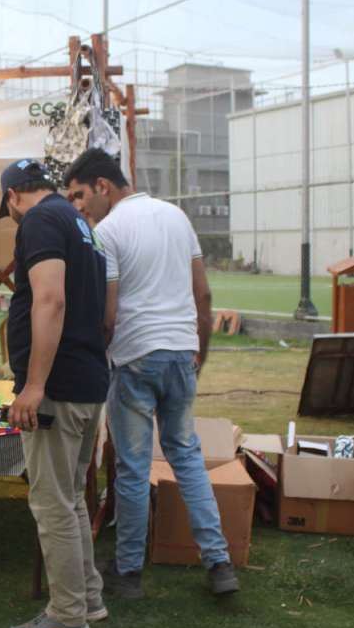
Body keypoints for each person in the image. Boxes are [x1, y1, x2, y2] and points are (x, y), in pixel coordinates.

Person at [63, 148, 240, 599]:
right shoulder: (176, 217)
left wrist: (98, 355)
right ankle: (219, 562)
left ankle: (128, 572)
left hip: (135, 357)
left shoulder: (107, 232)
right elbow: (203, 295)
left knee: (133, 469)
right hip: (180, 352)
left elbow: (108, 314)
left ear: (102, 186)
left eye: (80, 195)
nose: (79, 207)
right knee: (187, 457)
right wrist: (199, 352)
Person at [0, 159, 110, 628]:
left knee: (51, 504)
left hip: (59, 387)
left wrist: (34, 385)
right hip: (87, 379)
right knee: (71, 498)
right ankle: (88, 598)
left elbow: (50, 300)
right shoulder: (80, 223)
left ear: (13, 195)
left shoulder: (40, 220)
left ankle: (66, 615)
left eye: (9, 208)